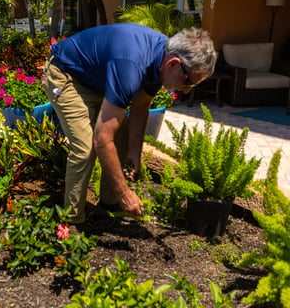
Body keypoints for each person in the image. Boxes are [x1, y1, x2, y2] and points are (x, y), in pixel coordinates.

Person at [41, 23, 217, 226]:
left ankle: (109, 205)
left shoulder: (162, 59)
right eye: (188, 82)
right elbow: (102, 139)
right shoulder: (132, 64)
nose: (186, 91)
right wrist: (124, 192)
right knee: (85, 148)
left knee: (121, 141)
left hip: (98, 79)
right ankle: (72, 222)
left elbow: (141, 105)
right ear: (173, 64)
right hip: (67, 75)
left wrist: (134, 152)